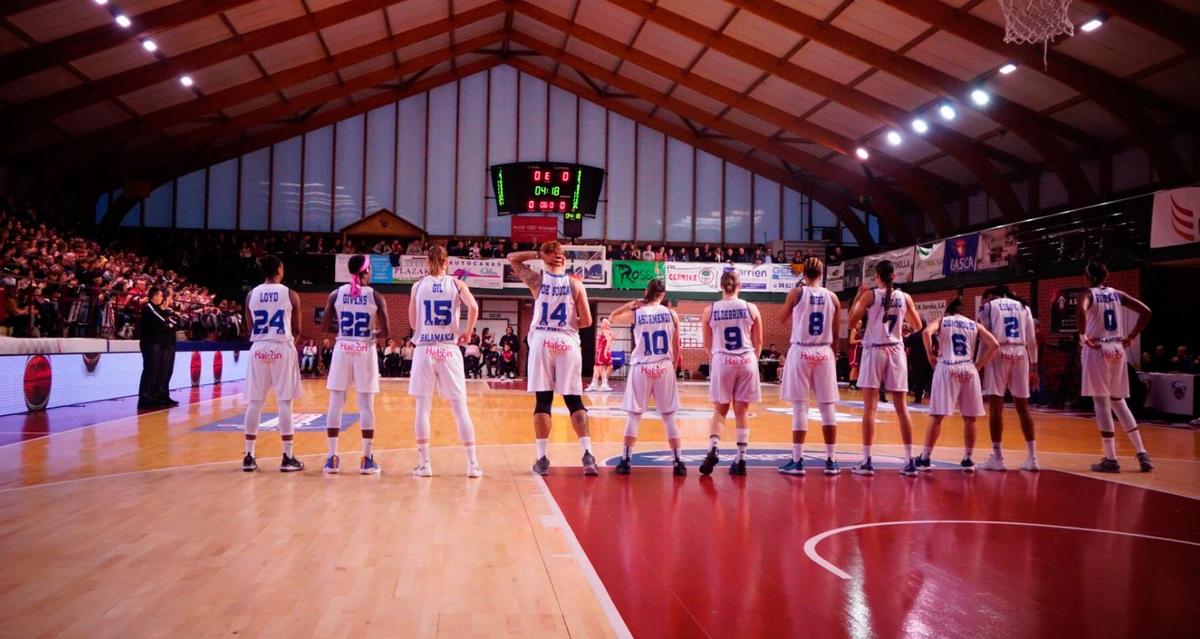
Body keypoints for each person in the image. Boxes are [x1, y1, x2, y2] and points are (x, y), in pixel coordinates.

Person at [509, 241, 597, 475]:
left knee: (543, 401)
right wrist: (569, 324)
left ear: (545, 259)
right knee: (574, 401)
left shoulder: (537, 281)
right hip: (567, 341)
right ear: (564, 260)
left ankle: (542, 458)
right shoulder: (575, 285)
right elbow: (587, 322)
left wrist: (538, 254)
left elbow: (512, 258)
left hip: (542, 341)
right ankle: (587, 455)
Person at [407, 244, 482, 478]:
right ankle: (472, 464)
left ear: (427, 262)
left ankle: (425, 464)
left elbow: (412, 322)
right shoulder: (457, 284)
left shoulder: (417, 286)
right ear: (447, 262)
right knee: (460, 409)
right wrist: (468, 332)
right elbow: (474, 307)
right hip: (449, 349)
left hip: (425, 349)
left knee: (423, 409)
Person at [846, 260, 923, 476]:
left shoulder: (871, 295)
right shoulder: (904, 297)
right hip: (896, 352)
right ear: (894, 276)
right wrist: (904, 328)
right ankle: (909, 461)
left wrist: (857, 299)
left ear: (877, 276)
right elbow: (918, 326)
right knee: (902, 409)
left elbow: (852, 323)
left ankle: (867, 460)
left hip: (875, 351)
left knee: (870, 408)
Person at [1078, 261, 1153, 473]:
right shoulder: (1117, 294)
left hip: (1097, 348)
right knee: (1118, 401)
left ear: (1088, 277)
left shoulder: (1088, 294)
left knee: (1101, 402)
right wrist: (1131, 336)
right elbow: (1146, 311)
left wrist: (1083, 335)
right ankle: (1142, 453)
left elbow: (1081, 311)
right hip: (1117, 348)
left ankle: (1111, 459)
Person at [319, 254, 390, 475]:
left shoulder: (336, 293)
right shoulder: (376, 296)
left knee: (335, 403)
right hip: (364, 351)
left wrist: (342, 332)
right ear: (366, 272)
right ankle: (367, 460)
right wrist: (373, 332)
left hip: (342, 349)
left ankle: (332, 458)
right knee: (366, 406)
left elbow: (324, 327)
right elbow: (386, 333)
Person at [608, 280, 685, 476]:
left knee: (634, 415)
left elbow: (612, 317)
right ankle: (678, 462)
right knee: (669, 416)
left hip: (641, 366)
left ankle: (625, 461)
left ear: (646, 293)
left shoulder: (637, 313)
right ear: (662, 295)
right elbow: (677, 347)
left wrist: (631, 303)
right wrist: (673, 369)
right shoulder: (672, 314)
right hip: (664, 366)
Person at [915, 298, 998, 473]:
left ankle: (925, 458)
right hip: (969, 369)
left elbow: (925, 333)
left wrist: (930, 354)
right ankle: (968, 459)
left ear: (948, 311)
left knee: (937, 416)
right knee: (970, 418)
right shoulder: (973, 324)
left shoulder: (943, 321)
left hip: (947, 367)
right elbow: (994, 344)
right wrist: (979, 365)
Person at [777, 257, 842, 476]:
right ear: (822, 273)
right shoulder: (833, 297)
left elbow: (781, 318)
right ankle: (831, 461)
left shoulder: (797, 294)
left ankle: (797, 461)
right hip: (824, 351)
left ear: (803, 273)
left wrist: (794, 296)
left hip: (801, 350)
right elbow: (835, 331)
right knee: (827, 407)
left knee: (800, 407)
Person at [240, 255, 305, 473]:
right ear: (279, 270)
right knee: (284, 402)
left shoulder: (251, 294)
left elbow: (248, 328)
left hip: (258, 347)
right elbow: (298, 329)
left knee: (255, 402)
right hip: (281, 346)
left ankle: (249, 456)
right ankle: (287, 456)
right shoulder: (290, 293)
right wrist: (287, 346)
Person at [699, 270, 763, 476]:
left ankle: (713, 449)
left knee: (720, 410)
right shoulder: (751, 308)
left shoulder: (710, 310)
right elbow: (759, 342)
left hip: (722, 359)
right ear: (739, 286)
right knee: (742, 411)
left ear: (720, 286)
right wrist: (751, 359)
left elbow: (707, 345)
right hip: (747, 359)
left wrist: (720, 358)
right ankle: (741, 459)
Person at [976, 285, 1040, 472]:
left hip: (999, 352)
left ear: (991, 296)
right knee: (1023, 408)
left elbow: (985, 340)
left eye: (985, 298)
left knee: (996, 406)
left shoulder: (988, 307)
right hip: (1021, 353)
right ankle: (1033, 458)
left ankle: (998, 457)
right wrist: (1034, 367)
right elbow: (1032, 340)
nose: (984, 302)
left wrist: (979, 365)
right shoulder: (1023, 307)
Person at [137, 287, 177, 409]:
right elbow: (164, 322)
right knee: (150, 370)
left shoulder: (156, 309)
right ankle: (144, 398)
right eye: (160, 296)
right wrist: (170, 323)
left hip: (156, 342)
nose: (162, 298)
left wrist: (170, 323)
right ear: (154, 296)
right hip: (150, 342)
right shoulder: (149, 307)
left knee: (155, 370)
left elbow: (173, 324)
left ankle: (152, 396)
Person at [904, 319, 932, 404]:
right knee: (930, 379)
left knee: (918, 380)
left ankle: (918, 398)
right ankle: (933, 398)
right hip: (928, 360)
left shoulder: (914, 336)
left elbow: (907, 344)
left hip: (916, 361)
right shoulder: (930, 335)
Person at [586, 318, 614, 392]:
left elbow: (608, 342)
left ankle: (604, 384)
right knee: (596, 367)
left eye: (603, 323)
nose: (601, 324)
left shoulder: (605, 331)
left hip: (602, 351)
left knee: (600, 367)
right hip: (601, 351)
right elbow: (609, 340)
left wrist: (605, 351)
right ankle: (594, 384)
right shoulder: (607, 331)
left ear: (605, 325)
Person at [847, 319, 864, 390]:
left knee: (857, 368)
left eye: (861, 323)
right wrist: (860, 341)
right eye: (859, 323)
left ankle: (855, 382)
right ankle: (851, 383)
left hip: (859, 350)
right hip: (854, 350)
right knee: (854, 367)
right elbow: (851, 341)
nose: (860, 325)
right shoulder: (854, 330)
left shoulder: (860, 331)